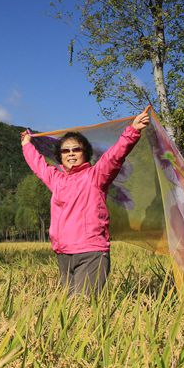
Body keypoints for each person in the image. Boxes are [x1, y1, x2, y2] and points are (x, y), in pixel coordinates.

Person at [21, 107, 150, 296]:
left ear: (85, 152)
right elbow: (38, 165)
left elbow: (115, 156)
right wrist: (26, 144)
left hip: (91, 253)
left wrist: (133, 131)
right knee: (70, 312)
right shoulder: (56, 179)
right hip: (64, 254)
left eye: (76, 149)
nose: (71, 154)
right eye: (65, 150)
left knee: (83, 308)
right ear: (60, 156)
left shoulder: (96, 176)